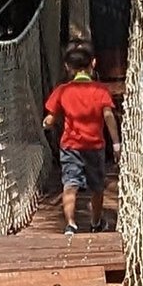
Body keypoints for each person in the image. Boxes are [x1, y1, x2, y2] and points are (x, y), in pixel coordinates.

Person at [44, 43, 119, 234]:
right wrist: (116, 143)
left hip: (70, 146)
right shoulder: (101, 90)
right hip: (94, 146)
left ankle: (70, 224)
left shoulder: (63, 91)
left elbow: (51, 118)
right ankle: (95, 222)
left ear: (68, 67)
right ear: (93, 63)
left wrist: (46, 123)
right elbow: (108, 116)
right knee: (97, 186)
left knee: (70, 184)